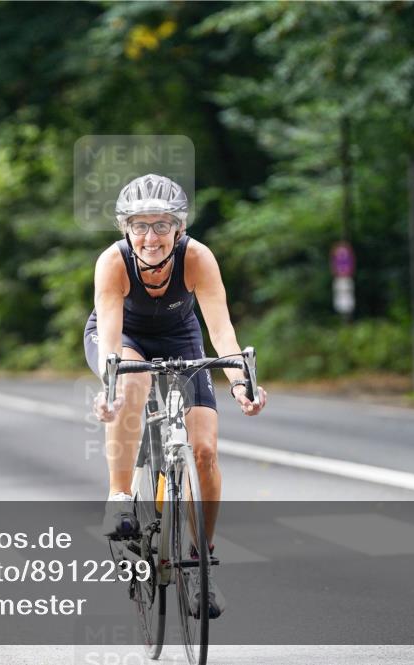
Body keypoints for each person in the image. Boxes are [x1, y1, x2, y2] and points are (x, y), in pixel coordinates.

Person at [85, 173, 267, 620]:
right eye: (139, 225)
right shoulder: (113, 262)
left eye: (161, 225)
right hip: (122, 337)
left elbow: (220, 330)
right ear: (125, 228)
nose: (150, 237)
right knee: (134, 382)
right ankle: (119, 498)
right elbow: (109, 338)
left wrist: (241, 382)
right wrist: (109, 389)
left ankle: (201, 565)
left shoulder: (197, 258)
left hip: (181, 338)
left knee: (203, 450)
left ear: (179, 228)